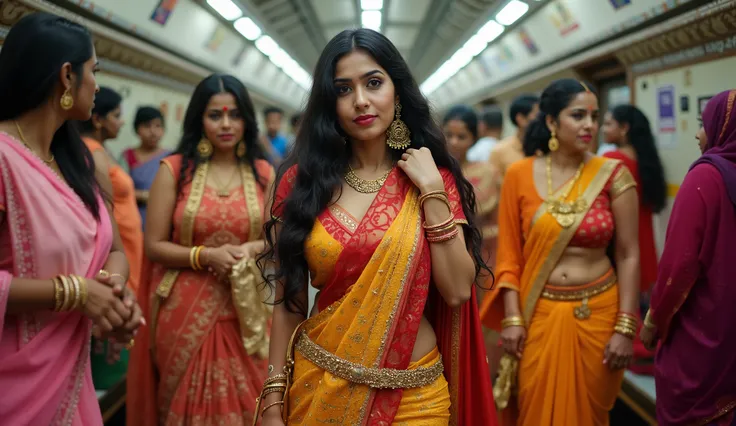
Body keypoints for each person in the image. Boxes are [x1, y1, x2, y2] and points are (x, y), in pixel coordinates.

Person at [256, 28, 496, 426]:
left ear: (397, 92)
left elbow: (456, 291)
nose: (361, 100)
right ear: (328, 102)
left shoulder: (433, 179)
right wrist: (273, 398)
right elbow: (289, 302)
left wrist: (432, 190)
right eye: (343, 89)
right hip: (321, 386)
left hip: (414, 397)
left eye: (373, 83)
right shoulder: (300, 183)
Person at [0, 12, 142, 424]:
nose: (97, 85)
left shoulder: (80, 159)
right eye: (93, 71)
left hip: (72, 373)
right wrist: (77, 294)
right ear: (67, 76)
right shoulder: (4, 158)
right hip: (14, 383)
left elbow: (113, 249)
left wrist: (112, 296)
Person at [480, 79, 640, 426]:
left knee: (590, 414)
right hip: (539, 313)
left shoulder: (613, 174)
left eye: (595, 117)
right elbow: (509, 256)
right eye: (578, 115)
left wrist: (625, 327)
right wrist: (512, 320)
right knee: (536, 410)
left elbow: (629, 253)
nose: (590, 125)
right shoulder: (519, 175)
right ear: (552, 122)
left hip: (598, 312)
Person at [126, 73, 274, 426]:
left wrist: (251, 247)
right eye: (215, 115)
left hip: (247, 309)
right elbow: (154, 245)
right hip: (185, 306)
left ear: (246, 120)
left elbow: (275, 237)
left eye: (235, 115)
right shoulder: (174, 170)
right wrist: (204, 255)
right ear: (198, 118)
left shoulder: (264, 172)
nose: (226, 124)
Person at [640, 89, 736, 426]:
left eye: (702, 124)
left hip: (705, 331)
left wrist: (653, 322)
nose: (698, 135)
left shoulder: (705, 177)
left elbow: (679, 266)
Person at [79, 88, 143, 295]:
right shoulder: (92, 151)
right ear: (98, 120)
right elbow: (101, 209)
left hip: (126, 243)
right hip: (117, 246)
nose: (122, 122)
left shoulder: (102, 149)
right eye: (116, 115)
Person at [120, 106, 168, 230]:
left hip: (163, 220)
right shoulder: (127, 156)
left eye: (158, 126)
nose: (153, 131)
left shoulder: (171, 157)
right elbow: (117, 190)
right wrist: (143, 196)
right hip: (132, 220)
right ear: (137, 129)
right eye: (147, 126)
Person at [488, 94, 539, 178]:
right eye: (537, 116)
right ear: (521, 119)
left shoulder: (546, 146)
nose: (543, 120)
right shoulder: (499, 152)